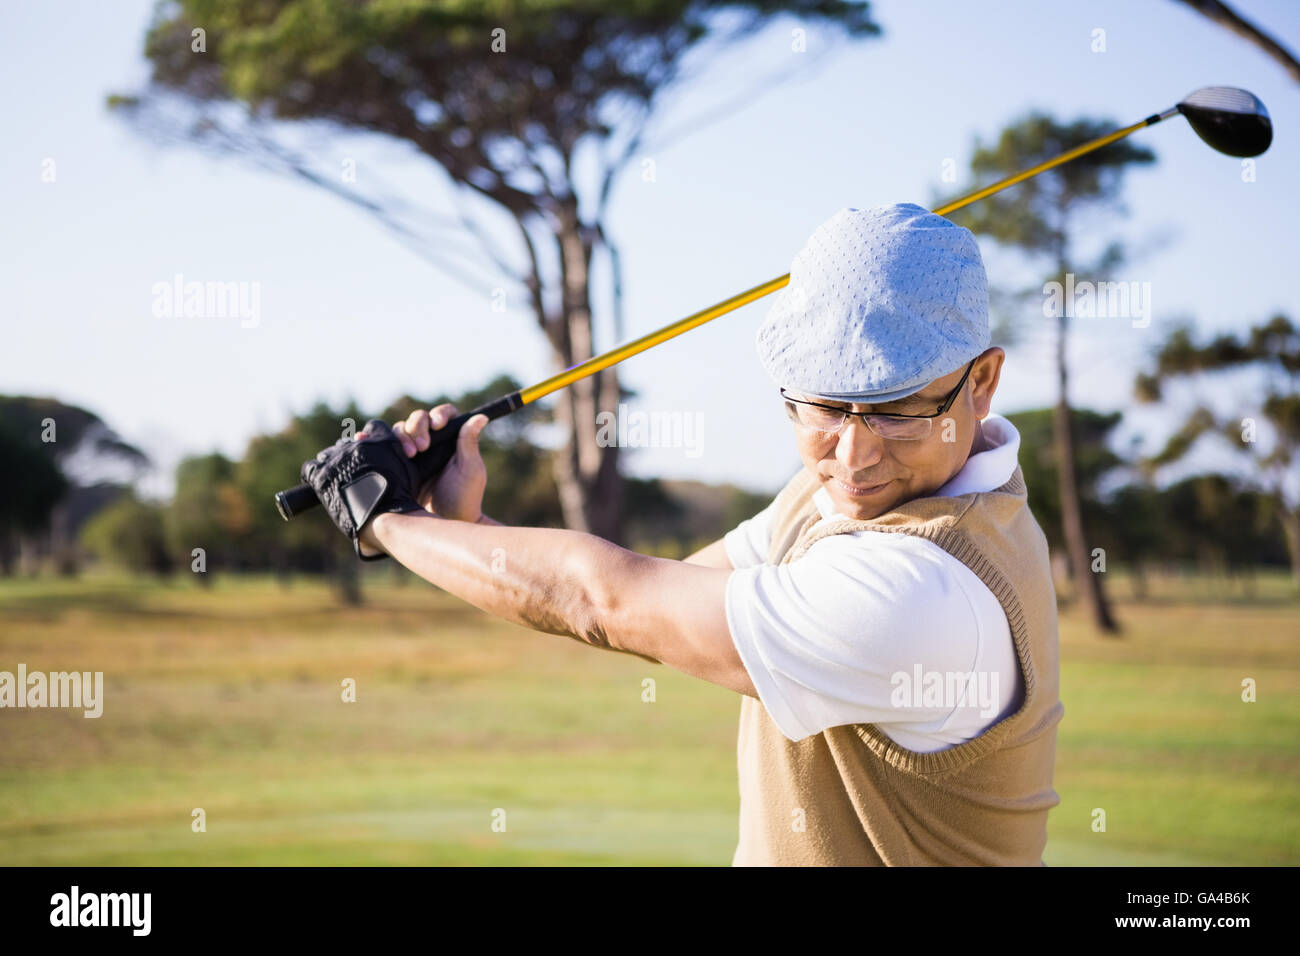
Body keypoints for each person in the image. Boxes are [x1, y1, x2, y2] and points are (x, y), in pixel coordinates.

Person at [302, 202, 1064, 866]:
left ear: (984, 380)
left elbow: (608, 603)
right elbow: (657, 593)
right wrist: (461, 526)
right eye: (825, 407)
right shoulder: (846, 499)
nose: (855, 455)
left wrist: (385, 518)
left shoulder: (924, 592)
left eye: (900, 409)